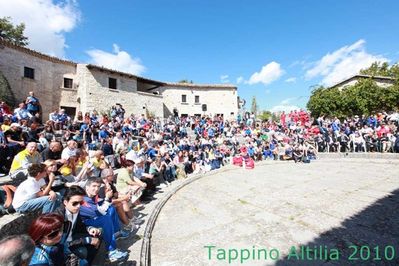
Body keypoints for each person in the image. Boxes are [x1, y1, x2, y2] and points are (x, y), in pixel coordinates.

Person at [79, 177, 129, 263]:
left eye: (98, 186)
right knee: (105, 218)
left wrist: (107, 198)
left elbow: (100, 205)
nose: (96, 189)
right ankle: (111, 251)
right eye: (93, 186)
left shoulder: (93, 195)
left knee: (111, 209)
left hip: (92, 217)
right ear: (87, 187)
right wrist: (106, 198)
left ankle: (116, 233)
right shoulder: (83, 198)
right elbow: (98, 212)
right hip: (84, 223)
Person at [55, 186, 101, 265]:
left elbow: (80, 226)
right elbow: (60, 243)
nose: (79, 206)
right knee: (84, 252)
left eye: (81, 202)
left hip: (73, 238)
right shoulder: (58, 218)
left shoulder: (74, 210)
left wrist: (90, 229)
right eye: (75, 203)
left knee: (98, 234)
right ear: (65, 202)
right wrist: (87, 240)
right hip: (63, 246)